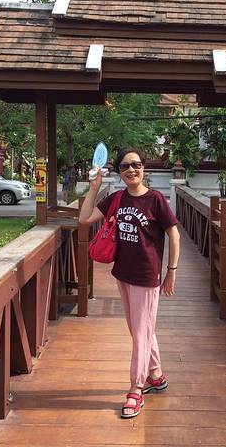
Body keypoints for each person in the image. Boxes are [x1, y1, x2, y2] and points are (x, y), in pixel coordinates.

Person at [79, 147, 181, 419]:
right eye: (124, 166)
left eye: (136, 164)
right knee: (140, 330)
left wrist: (171, 271)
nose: (131, 170)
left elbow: (174, 235)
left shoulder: (155, 199)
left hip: (146, 277)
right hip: (122, 273)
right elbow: (84, 219)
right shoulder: (117, 198)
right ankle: (156, 375)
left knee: (141, 332)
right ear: (119, 172)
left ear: (143, 168)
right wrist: (94, 188)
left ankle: (136, 388)